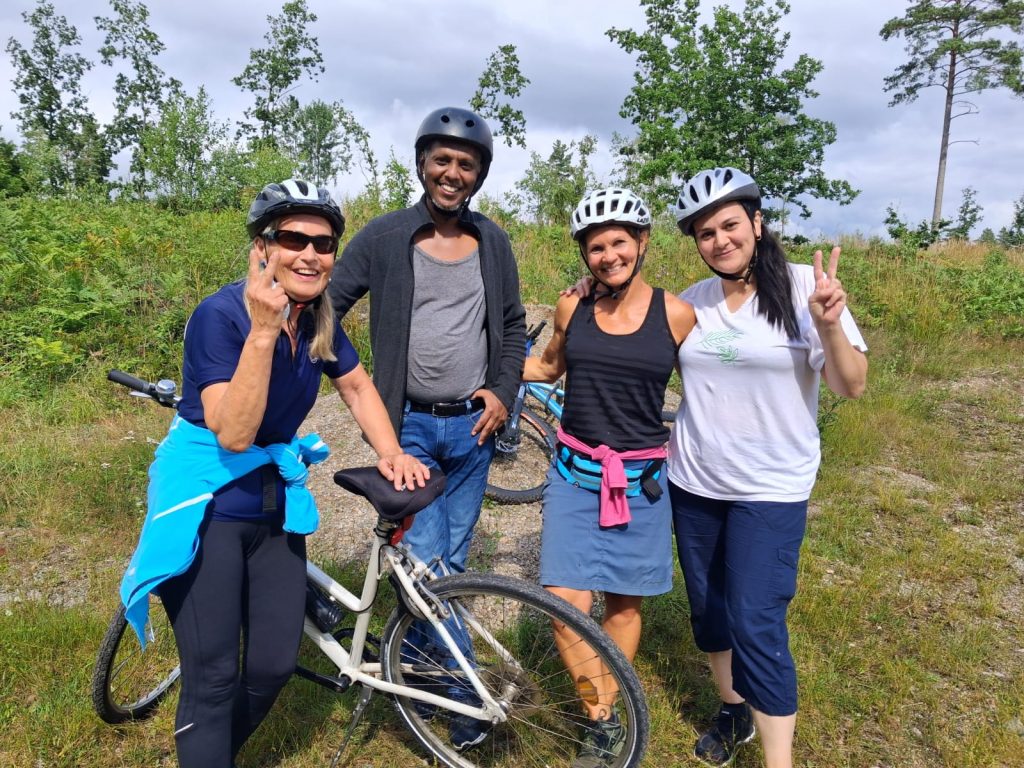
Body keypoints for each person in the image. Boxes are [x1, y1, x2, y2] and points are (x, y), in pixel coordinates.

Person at [119, 179, 429, 768]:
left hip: (270, 501)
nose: (311, 253)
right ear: (263, 246)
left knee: (272, 664)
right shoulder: (220, 316)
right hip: (207, 503)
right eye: (293, 238)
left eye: (325, 242)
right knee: (212, 679)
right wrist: (263, 331)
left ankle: (210, 752)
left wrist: (391, 451)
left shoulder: (318, 319)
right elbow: (233, 433)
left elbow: (357, 386)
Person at [328, 106, 526, 750]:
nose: (451, 172)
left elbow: (514, 327)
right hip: (407, 427)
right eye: (441, 159)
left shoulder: (492, 242)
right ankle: (470, 701)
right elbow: (326, 304)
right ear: (421, 164)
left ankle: (406, 669)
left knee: (448, 567)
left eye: (465, 164)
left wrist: (501, 391)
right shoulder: (386, 237)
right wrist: (331, 369)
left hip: (471, 433)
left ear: (479, 175)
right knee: (431, 565)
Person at [669, 167, 868, 768]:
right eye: (705, 233)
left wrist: (830, 326)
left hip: (771, 489)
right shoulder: (691, 303)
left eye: (730, 225)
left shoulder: (807, 287)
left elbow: (850, 385)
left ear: (756, 223)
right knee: (708, 610)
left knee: (755, 620)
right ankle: (733, 710)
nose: (719, 241)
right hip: (694, 482)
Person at [525, 187, 696, 768]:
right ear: (585, 255)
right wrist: (479, 361)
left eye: (619, 242)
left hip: (642, 483)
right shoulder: (572, 308)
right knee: (563, 602)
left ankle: (609, 711)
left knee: (623, 606)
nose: (608, 255)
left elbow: (717, 381)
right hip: (575, 475)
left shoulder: (676, 314)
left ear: (642, 242)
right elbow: (548, 366)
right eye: (596, 247)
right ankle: (603, 719)